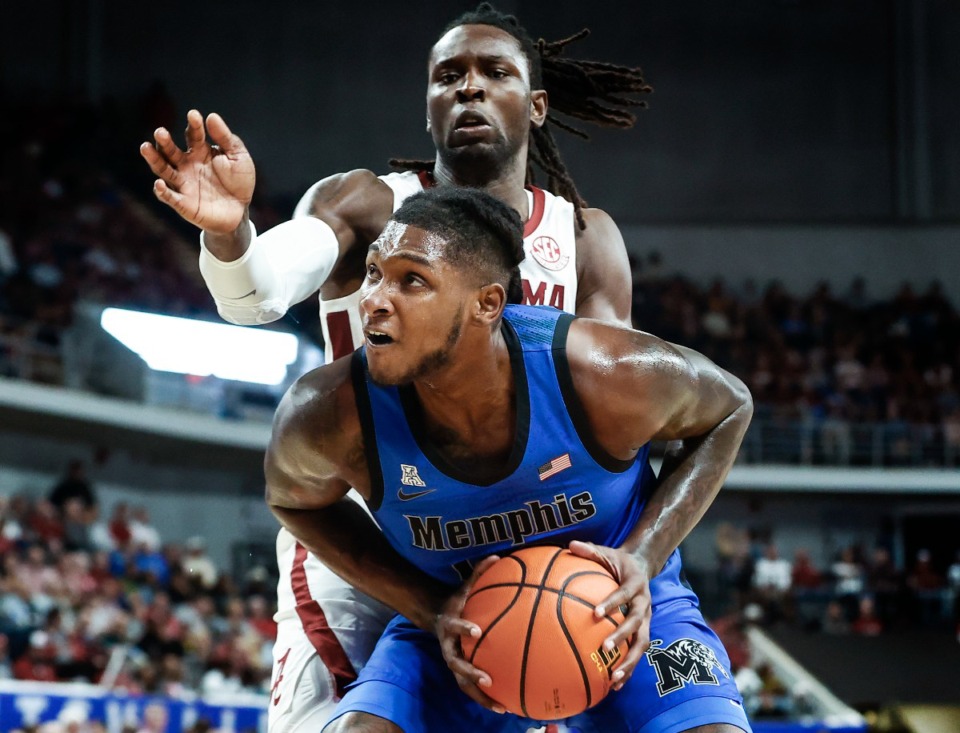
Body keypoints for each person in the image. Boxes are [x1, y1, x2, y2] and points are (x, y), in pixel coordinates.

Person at [140, 4, 652, 731]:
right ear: (428, 106)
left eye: (494, 73)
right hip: (366, 547)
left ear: (537, 105)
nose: (469, 88)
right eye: (449, 76)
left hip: (512, 553)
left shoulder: (582, 238)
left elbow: (618, 428)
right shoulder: (368, 203)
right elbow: (260, 291)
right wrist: (233, 239)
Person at [265, 186, 754, 733]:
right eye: (375, 273)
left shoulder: (598, 372)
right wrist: (427, 605)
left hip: (622, 604)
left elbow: (729, 406)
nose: (374, 299)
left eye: (413, 281)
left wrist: (643, 556)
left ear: (487, 304)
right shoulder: (329, 411)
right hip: (459, 623)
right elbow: (292, 499)